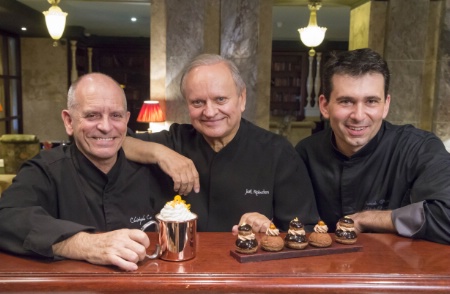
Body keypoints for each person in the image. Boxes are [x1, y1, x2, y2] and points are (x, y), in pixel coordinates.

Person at [0, 73, 178, 271]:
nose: (105, 127)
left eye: (116, 115)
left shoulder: (152, 173)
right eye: (92, 115)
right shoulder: (45, 170)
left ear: (127, 121)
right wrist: (84, 244)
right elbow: (7, 218)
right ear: (68, 121)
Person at [123, 54, 319, 233]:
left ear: (241, 99)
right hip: (180, 267)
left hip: (249, 268)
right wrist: (161, 153)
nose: (209, 112)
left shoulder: (278, 152)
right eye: (197, 102)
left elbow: (305, 230)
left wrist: (270, 229)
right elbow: (116, 144)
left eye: (220, 99)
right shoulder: (174, 140)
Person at [295, 48, 450, 244]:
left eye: (371, 101)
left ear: (386, 104)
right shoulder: (304, 153)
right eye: (346, 101)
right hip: (324, 269)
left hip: (400, 271)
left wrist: (368, 219)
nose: (359, 115)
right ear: (324, 106)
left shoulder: (419, 149)